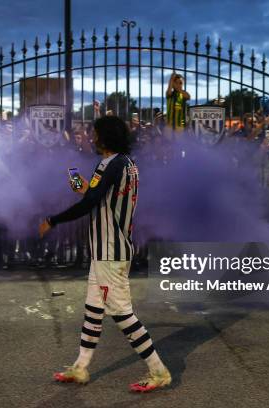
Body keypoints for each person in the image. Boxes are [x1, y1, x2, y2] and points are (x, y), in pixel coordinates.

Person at [38, 116, 171, 393]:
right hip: (107, 251)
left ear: (105, 137)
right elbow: (96, 196)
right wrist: (80, 183)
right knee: (93, 309)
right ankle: (80, 367)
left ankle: (158, 371)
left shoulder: (112, 164)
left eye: (95, 133)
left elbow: (90, 203)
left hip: (110, 251)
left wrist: (53, 220)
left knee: (122, 313)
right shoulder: (125, 164)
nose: (92, 137)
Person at [165, 73, 190, 139]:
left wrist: (178, 86)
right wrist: (171, 79)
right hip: (169, 125)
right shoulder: (170, 93)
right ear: (172, 84)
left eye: (180, 83)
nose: (178, 84)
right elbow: (169, 90)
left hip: (180, 125)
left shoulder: (183, 93)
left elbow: (188, 96)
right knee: (168, 145)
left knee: (178, 146)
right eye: (176, 82)